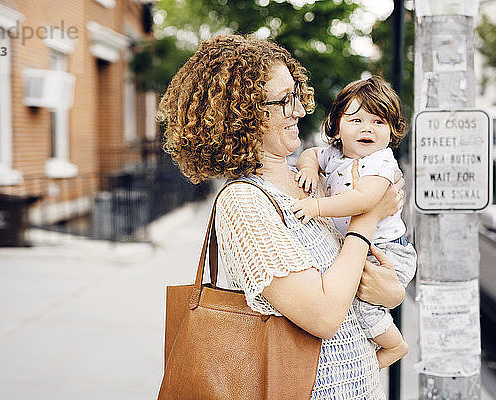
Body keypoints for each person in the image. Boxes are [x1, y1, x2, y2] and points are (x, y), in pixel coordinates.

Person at [159, 34, 406, 399]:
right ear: (242, 114)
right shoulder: (244, 203)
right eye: (284, 100)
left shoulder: (311, 182)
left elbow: (352, 284)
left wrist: (390, 291)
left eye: (297, 95)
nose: (300, 110)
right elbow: (323, 316)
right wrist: (366, 221)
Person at [290, 76, 417, 369]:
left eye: (378, 122)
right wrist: (309, 169)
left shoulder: (381, 162)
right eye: (356, 120)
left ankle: (394, 345)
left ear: (392, 132)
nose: (367, 129)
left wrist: (316, 206)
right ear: (336, 126)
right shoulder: (334, 155)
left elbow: (363, 200)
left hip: (387, 251)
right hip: (364, 245)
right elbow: (310, 154)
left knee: (362, 306)